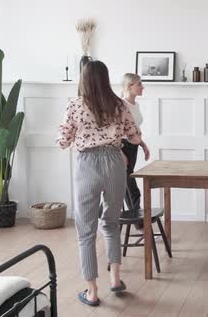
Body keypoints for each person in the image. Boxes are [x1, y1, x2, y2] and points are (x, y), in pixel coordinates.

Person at [57, 61, 142, 306]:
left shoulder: (74, 105)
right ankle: (115, 279)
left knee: (86, 231)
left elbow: (63, 141)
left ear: (84, 79)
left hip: (87, 165)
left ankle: (92, 292)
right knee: (112, 223)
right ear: (106, 79)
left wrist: (75, 139)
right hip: (115, 162)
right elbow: (135, 137)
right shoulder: (118, 104)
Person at [120, 73, 150, 219]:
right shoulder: (121, 105)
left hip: (133, 147)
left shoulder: (135, 105)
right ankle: (140, 224)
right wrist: (120, 153)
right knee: (130, 189)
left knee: (125, 187)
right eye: (139, 84)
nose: (142, 87)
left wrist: (142, 144)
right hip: (123, 148)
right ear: (129, 86)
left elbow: (134, 129)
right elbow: (115, 131)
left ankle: (138, 224)